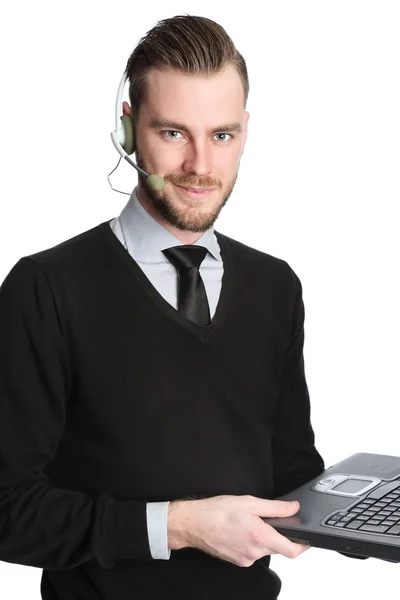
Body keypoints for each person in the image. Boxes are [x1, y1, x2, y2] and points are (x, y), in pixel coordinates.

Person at [0, 14, 332, 600]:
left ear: (246, 131)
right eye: (174, 133)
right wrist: (178, 527)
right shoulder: (46, 288)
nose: (201, 166)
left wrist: (357, 503)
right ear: (129, 131)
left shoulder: (276, 287)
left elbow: (290, 475)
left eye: (222, 135)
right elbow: (7, 510)